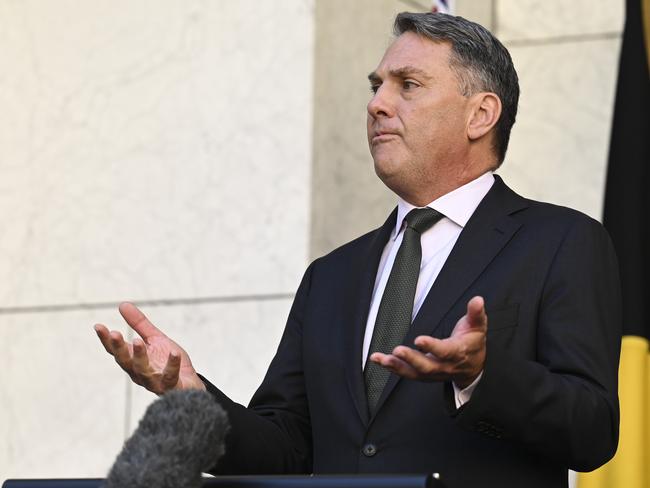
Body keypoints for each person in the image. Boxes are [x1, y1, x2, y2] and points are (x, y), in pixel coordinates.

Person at [94, 12, 621, 488]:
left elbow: (593, 432)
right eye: (375, 87)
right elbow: (286, 450)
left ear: (480, 115)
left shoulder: (560, 243)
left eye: (407, 85)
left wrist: (482, 374)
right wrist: (195, 399)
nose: (377, 104)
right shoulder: (332, 275)